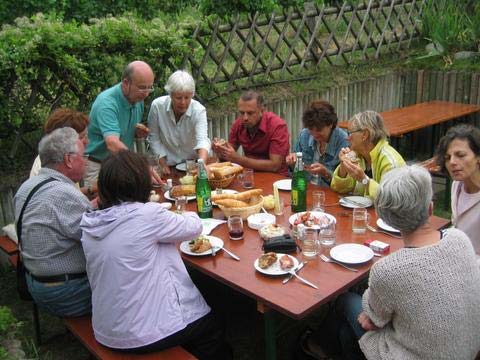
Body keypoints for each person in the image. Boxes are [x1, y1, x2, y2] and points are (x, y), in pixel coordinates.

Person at [80, 150, 229, 359]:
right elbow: (194, 226)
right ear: (141, 183)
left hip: (107, 329)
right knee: (213, 326)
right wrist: (179, 212)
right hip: (143, 334)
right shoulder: (147, 214)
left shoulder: (90, 222)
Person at [335, 165, 480, 360]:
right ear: (430, 208)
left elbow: (374, 316)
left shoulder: (389, 269)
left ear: (386, 217)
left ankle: (316, 344)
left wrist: (373, 314)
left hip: (419, 353)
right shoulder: (459, 238)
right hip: (467, 349)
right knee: (347, 331)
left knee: (345, 300)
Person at [14, 127, 92, 317]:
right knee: (139, 283)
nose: (87, 160)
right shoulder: (65, 194)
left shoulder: (27, 187)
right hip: (67, 292)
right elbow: (99, 240)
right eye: (84, 155)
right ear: (68, 159)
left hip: (36, 282)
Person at [84, 60, 158, 186]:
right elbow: (112, 143)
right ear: (125, 83)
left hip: (122, 164)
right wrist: (140, 165)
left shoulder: (137, 99)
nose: (146, 93)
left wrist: (136, 132)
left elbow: (120, 131)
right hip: (98, 166)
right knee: (101, 204)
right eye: (141, 87)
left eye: (149, 88)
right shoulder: (107, 103)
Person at [147, 70, 210, 175]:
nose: (183, 102)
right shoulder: (157, 106)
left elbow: (202, 140)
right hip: (165, 163)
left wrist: (202, 163)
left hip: (192, 165)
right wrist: (162, 164)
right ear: (170, 94)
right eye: (178, 97)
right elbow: (154, 138)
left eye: (187, 97)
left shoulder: (199, 110)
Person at [212, 91, 290, 176]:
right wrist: (220, 151)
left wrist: (238, 159)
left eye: (250, 113)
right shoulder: (238, 124)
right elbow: (229, 156)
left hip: (276, 178)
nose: (245, 118)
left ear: (262, 111)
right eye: (242, 113)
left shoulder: (277, 126)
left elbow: (275, 166)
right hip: (249, 175)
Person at [330, 110, 405, 198]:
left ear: (365, 134)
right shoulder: (358, 155)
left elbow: (392, 199)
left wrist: (364, 180)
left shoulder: (391, 162)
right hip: (361, 211)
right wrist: (344, 166)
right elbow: (339, 189)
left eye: (349, 133)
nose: (347, 138)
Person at [29, 108, 98, 198]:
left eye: (86, 136)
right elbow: (65, 202)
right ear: (62, 139)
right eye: (81, 137)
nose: (87, 141)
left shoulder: (61, 157)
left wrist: (92, 189)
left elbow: (70, 193)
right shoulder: (52, 165)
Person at [435, 124, 480, 261]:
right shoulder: (457, 185)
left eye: (460, 155)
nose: (452, 162)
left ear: (478, 158)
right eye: (448, 157)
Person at [286, 100, 349, 186]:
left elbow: (345, 185)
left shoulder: (344, 142)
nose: (315, 135)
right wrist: (292, 163)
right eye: (311, 130)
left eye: (319, 130)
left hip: (329, 193)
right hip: (305, 189)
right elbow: (294, 171)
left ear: (330, 124)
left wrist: (326, 173)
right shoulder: (304, 135)